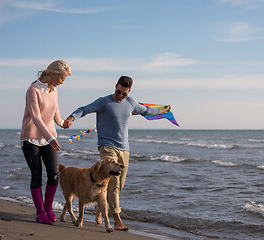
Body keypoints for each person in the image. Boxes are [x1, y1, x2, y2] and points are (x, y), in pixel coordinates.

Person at [63, 76, 170, 230]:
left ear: (129, 92)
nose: (120, 96)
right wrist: (71, 117)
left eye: (124, 94)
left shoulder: (130, 103)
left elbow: (146, 111)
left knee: (119, 185)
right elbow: (85, 109)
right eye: (118, 92)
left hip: (124, 148)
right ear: (115, 87)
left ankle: (100, 208)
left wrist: (163, 110)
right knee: (113, 183)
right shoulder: (104, 102)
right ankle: (117, 220)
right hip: (107, 146)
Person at [20, 60, 71, 224]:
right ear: (53, 74)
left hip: (48, 138)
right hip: (31, 138)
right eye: (61, 78)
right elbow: (36, 117)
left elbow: (55, 114)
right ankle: (40, 212)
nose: (62, 82)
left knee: (54, 174)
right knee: (37, 175)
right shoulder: (32, 90)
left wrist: (63, 123)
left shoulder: (54, 90)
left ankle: (48, 208)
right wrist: (51, 138)